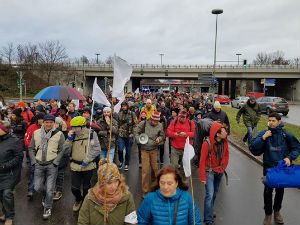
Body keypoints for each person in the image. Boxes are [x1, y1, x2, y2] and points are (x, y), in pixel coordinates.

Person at [249, 112, 300, 225]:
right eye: (270, 120)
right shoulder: (265, 133)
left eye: (273, 121)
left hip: (281, 169)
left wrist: (289, 158)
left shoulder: (286, 135)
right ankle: (268, 214)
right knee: (267, 191)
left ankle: (277, 212)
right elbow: (253, 148)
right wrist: (263, 138)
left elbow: (297, 147)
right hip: (268, 169)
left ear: (279, 122)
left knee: (280, 191)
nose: (271, 123)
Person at [28, 114, 66, 220]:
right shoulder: (36, 133)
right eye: (46, 122)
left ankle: (47, 208)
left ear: (54, 123)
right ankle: (45, 196)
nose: (49, 124)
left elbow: (62, 149)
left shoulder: (59, 134)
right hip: (39, 164)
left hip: (51, 165)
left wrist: (56, 162)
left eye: (51, 122)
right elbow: (30, 148)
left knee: (50, 189)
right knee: (37, 187)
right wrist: (34, 161)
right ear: (43, 122)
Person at [78, 159, 137, 225]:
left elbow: (131, 222)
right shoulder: (90, 198)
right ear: (101, 184)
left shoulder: (127, 197)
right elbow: (82, 222)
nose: (114, 186)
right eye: (109, 183)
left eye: (116, 181)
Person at [138, 165, 202, 225]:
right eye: (162, 183)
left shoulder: (187, 198)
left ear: (176, 183)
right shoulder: (150, 198)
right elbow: (142, 221)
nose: (165, 187)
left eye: (169, 183)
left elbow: (196, 222)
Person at [63, 116, 101, 212]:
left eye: (76, 127)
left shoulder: (91, 134)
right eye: (73, 127)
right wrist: (69, 140)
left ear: (82, 126)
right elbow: (65, 151)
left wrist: (87, 160)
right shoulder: (72, 135)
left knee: (86, 187)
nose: (74, 129)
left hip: (88, 166)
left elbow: (97, 149)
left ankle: (84, 203)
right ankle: (78, 199)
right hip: (75, 166)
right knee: (74, 188)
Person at [199, 122, 229, 225]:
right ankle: (208, 219)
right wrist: (203, 176)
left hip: (220, 171)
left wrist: (224, 166)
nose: (226, 132)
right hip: (209, 172)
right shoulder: (207, 144)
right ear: (217, 134)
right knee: (210, 194)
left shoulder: (225, 141)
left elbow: (226, 154)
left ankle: (210, 210)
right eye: (224, 131)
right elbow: (202, 161)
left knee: (215, 193)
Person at [134, 111, 164, 198]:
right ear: (151, 119)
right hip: (144, 150)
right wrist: (139, 140)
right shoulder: (144, 123)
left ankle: (154, 188)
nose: (155, 123)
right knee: (146, 171)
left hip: (154, 149)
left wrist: (159, 139)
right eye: (154, 121)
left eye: (157, 121)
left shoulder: (160, 125)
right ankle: (145, 192)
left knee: (155, 169)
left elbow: (162, 136)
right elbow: (136, 132)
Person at [0, 121, 23, 225]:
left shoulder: (14, 140)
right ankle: (5, 212)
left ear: (3, 130)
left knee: (7, 194)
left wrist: (5, 166)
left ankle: (10, 216)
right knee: (1, 194)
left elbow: (19, 157)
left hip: (10, 173)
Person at [167, 109, 195, 180]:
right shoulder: (174, 122)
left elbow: (194, 134)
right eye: (180, 117)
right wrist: (175, 134)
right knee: (174, 166)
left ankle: (183, 183)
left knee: (184, 167)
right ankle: (174, 180)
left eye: (183, 117)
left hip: (186, 148)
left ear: (186, 117)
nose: (181, 118)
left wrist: (186, 134)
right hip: (175, 147)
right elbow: (168, 132)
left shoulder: (191, 123)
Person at [24, 112, 45, 199]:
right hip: (34, 154)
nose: (41, 121)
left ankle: (43, 190)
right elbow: (26, 139)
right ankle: (30, 190)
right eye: (39, 119)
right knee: (32, 172)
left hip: (44, 155)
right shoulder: (32, 127)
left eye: (42, 119)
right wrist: (33, 148)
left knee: (45, 173)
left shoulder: (49, 128)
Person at [117, 101, 137, 171]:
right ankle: (121, 161)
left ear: (127, 106)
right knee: (120, 149)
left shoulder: (132, 114)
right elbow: (118, 124)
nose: (123, 107)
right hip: (121, 134)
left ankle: (126, 163)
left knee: (128, 151)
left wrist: (133, 133)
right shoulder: (119, 114)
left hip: (129, 134)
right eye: (122, 106)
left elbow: (135, 124)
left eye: (124, 106)